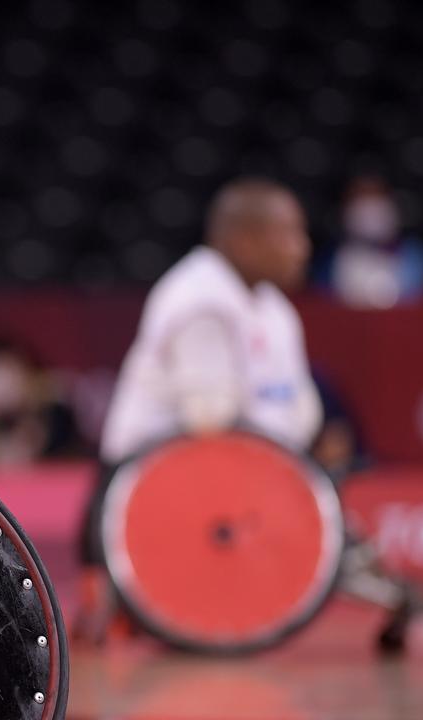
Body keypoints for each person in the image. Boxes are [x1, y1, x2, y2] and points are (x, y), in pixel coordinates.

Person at [78, 178, 321, 641]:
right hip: (149, 485)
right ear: (245, 240)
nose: (303, 248)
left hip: (235, 475)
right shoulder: (198, 298)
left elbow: (301, 407)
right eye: (289, 233)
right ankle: (113, 599)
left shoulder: (276, 309)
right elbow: (208, 418)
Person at [325, 175, 423, 308]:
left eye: (376, 198)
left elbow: (417, 299)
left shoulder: (414, 253)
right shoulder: (333, 258)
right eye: (361, 200)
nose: (369, 211)